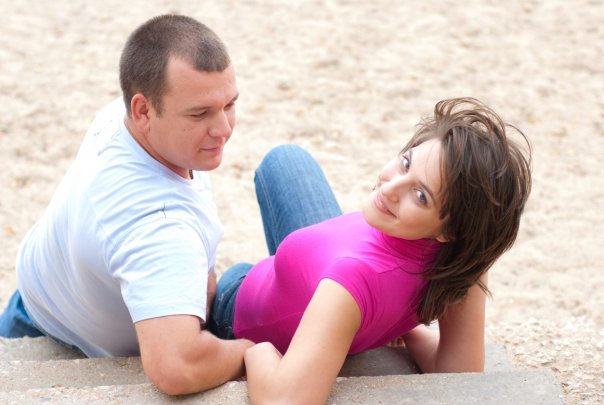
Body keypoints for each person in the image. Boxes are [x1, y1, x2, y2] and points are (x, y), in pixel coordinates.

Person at [209, 97, 533, 404]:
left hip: (238, 310)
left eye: (420, 196)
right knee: (286, 161)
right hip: (327, 274)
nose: (390, 188)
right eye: (406, 164)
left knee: (235, 268)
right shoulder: (462, 260)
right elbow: (459, 371)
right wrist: (407, 329)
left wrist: (253, 350)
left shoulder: (352, 280)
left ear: (450, 230)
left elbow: (284, 400)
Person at [0, 14, 254, 395]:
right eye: (200, 113)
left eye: (229, 104)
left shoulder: (121, 121)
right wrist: (251, 350)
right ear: (143, 110)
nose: (224, 129)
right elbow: (176, 367)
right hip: (72, 342)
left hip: (34, 302)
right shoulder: (158, 225)